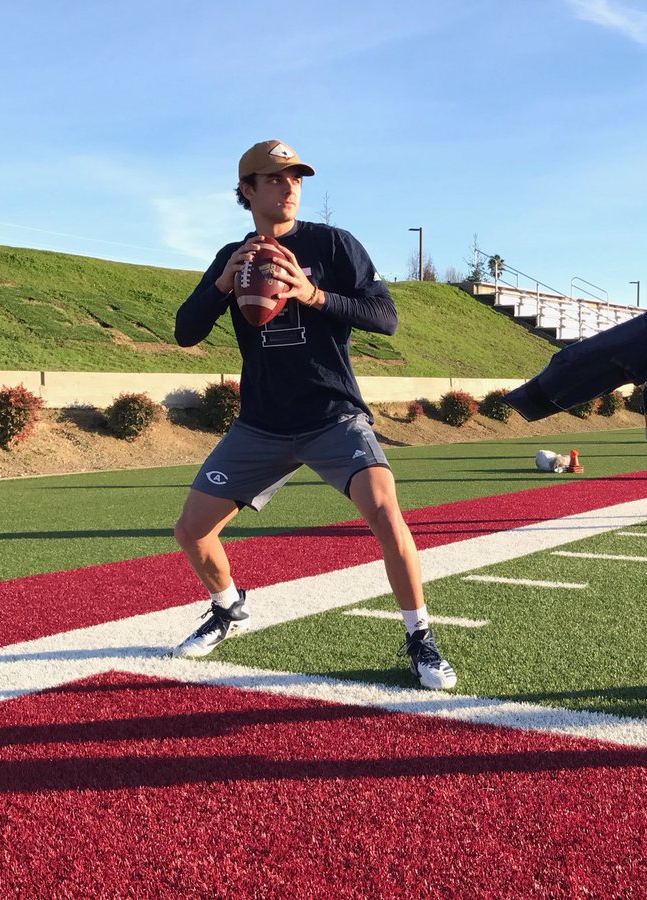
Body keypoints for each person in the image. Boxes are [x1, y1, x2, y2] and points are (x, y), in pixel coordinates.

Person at [170, 140, 457, 691]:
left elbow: (386, 319)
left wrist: (313, 293)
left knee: (383, 511)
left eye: (296, 178)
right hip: (261, 422)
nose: (291, 187)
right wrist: (223, 284)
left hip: (332, 415)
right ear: (247, 190)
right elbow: (186, 332)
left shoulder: (333, 244)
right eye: (276, 179)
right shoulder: (232, 254)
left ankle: (420, 635)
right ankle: (229, 607)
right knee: (191, 529)